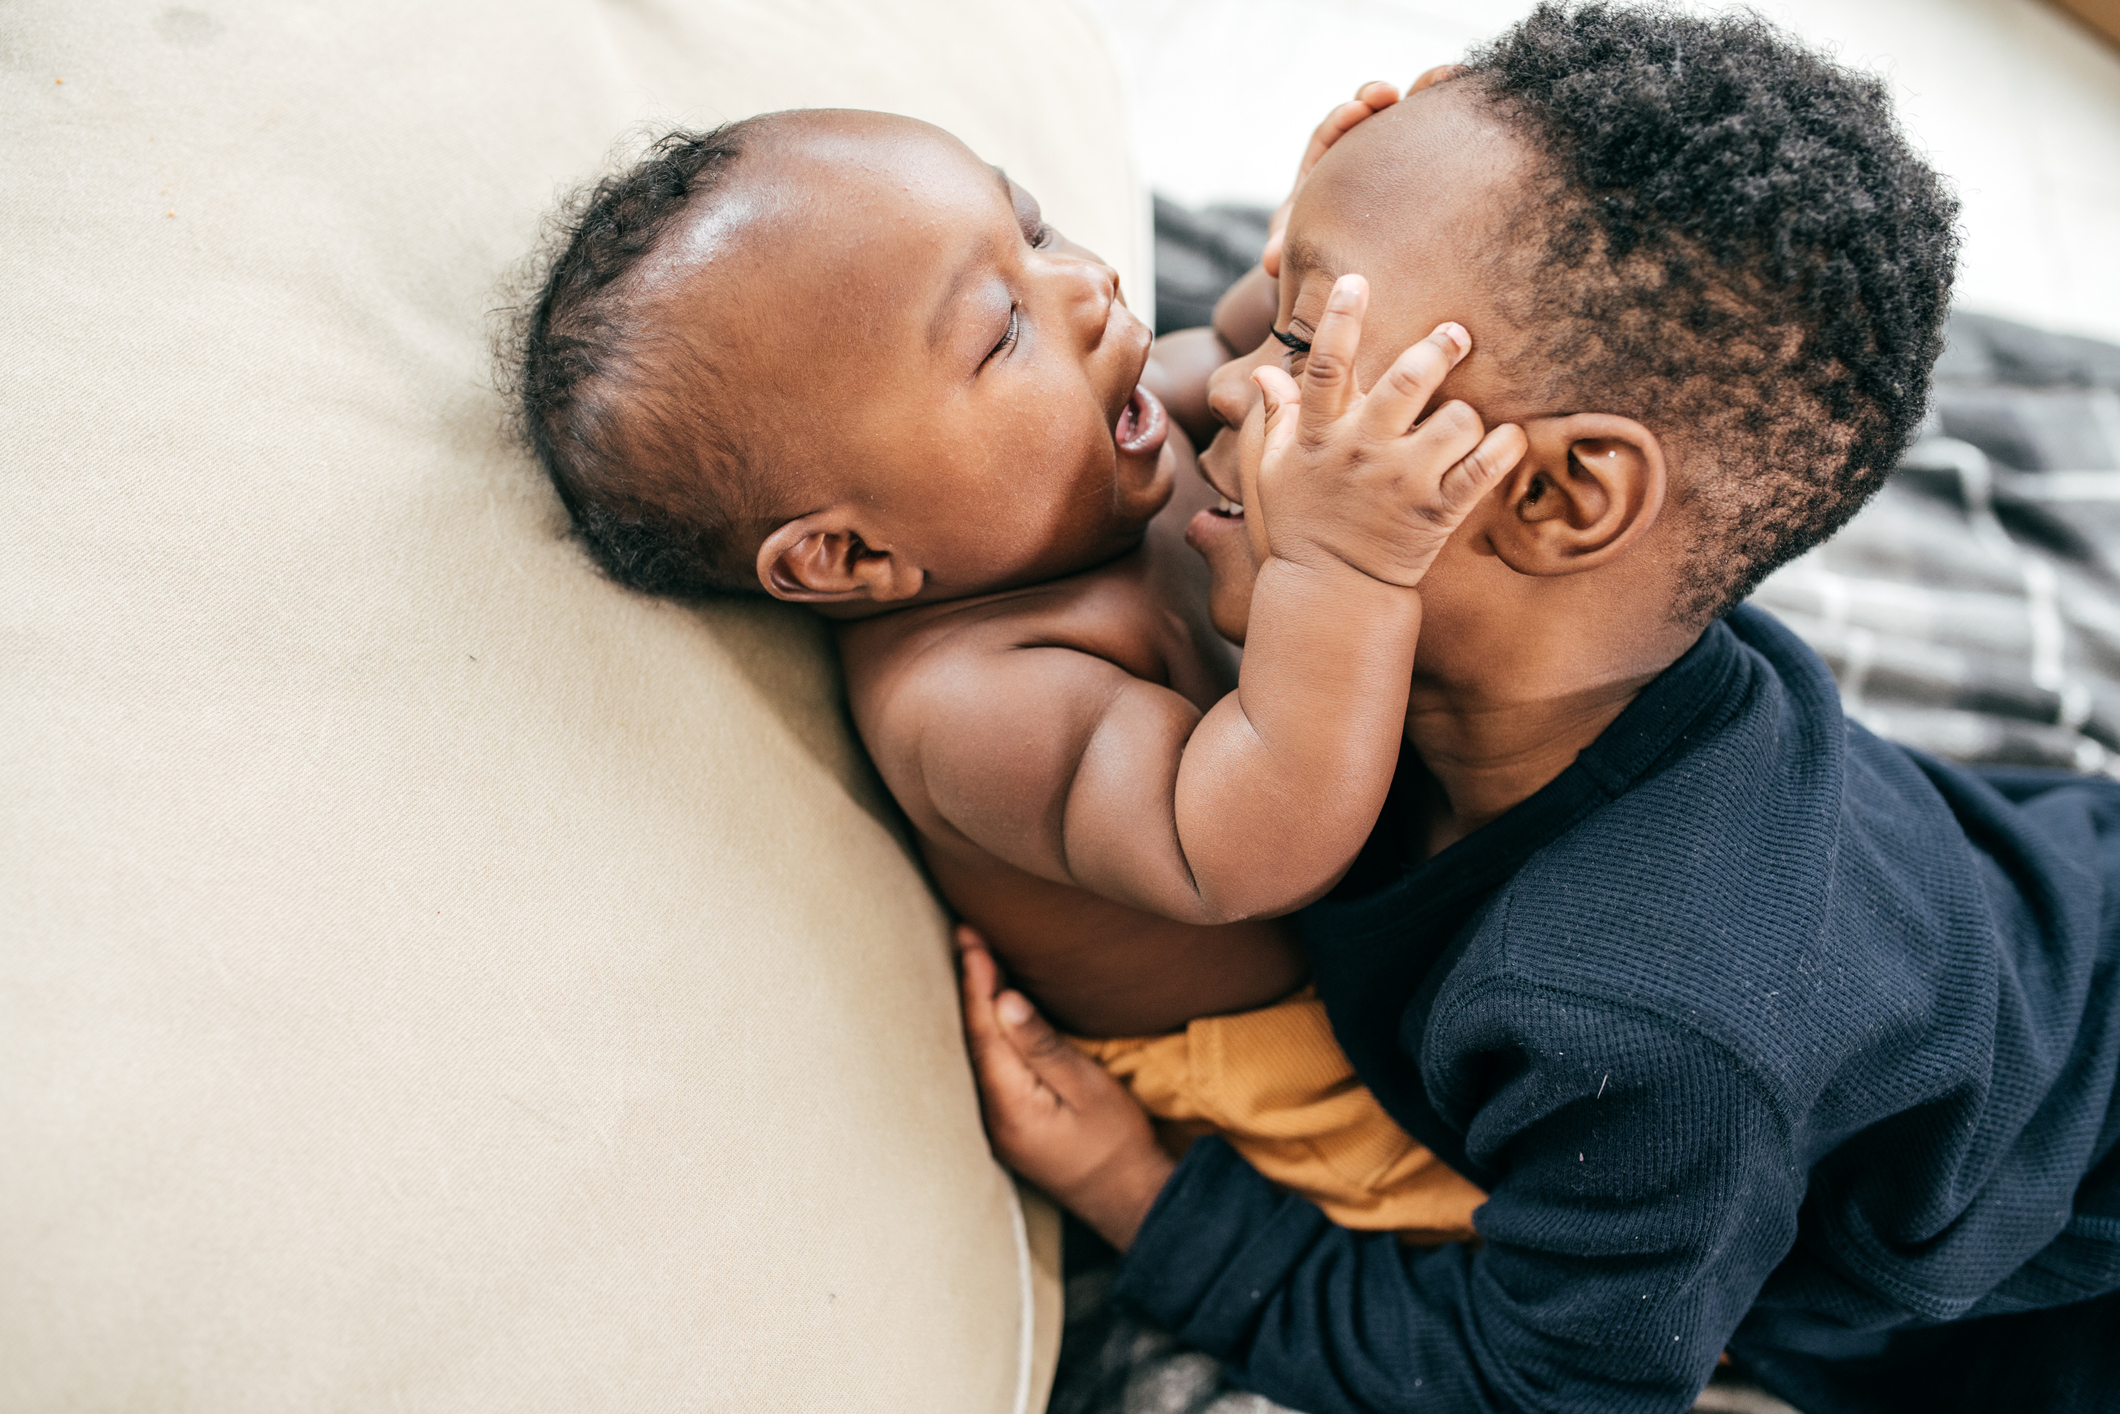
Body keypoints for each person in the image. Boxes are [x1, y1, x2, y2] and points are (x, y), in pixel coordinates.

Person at [960, 6, 2120, 1414]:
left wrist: (1142, 1194)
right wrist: (1310, 257)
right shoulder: (1504, 664)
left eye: (1308, 350)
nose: (1211, 387)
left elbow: (1537, 1380)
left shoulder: (1646, 1025)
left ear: (1561, 498)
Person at [511, 82, 1516, 1237]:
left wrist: (1321, 247)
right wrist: (1344, 572)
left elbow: (1253, 356)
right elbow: (1242, 841)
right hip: (1277, 1055)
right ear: (848, 555)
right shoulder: (969, 696)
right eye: (1000, 331)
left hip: (1396, 924)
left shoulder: (1108, 429)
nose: (1086, 286)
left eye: (1031, 227)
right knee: (1466, 1215)